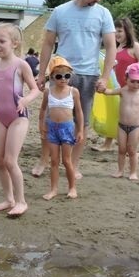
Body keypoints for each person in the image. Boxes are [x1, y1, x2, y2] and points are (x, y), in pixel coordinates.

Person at [35, 0, 116, 179]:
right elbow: (47, 43)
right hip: (60, 72)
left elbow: (110, 46)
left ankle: (73, 163)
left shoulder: (104, 14)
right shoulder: (61, 12)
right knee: (50, 118)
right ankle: (44, 160)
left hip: (88, 75)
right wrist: (42, 72)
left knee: (82, 121)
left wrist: (105, 77)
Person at [0, 22, 39, 216]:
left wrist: (25, 100)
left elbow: (35, 89)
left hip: (18, 118)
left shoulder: (20, 65)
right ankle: (8, 199)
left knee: (10, 160)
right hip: (1, 118)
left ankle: (21, 201)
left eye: (1, 41)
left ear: (14, 43)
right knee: (0, 161)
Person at [92, 17, 139, 155]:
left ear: (127, 31)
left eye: (120, 31)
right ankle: (108, 143)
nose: (116, 34)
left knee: (138, 119)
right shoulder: (115, 48)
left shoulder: (134, 47)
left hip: (135, 90)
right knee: (116, 114)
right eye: (114, 31)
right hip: (119, 88)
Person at [39, 56, 83, 200]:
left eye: (67, 75)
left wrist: (80, 129)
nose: (63, 79)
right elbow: (43, 110)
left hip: (67, 128)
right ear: (52, 77)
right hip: (52, 128)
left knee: (67, 160)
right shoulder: (48, 92)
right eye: (59, 76)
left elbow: (79, 112)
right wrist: (42, 125)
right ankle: (53, 189)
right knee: (54, 161)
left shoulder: (73, 91)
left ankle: (72, 187)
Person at [102, 63, 139, 180]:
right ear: (126, 78)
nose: (135, 84)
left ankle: (133, 172)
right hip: (121, 126)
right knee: (121, 149)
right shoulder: (123, 91)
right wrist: (102, 88)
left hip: (135, 127)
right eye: (132, 81)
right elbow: (109, 92)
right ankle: (120, 171)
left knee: (132, 150)